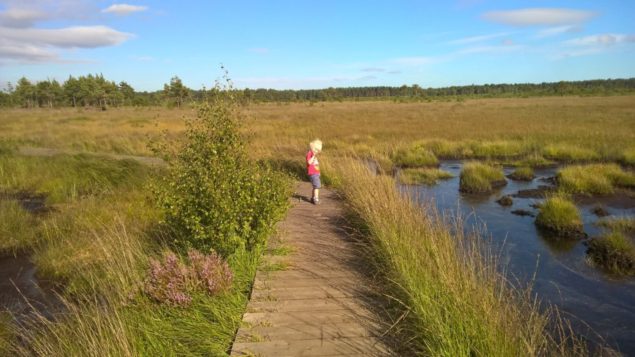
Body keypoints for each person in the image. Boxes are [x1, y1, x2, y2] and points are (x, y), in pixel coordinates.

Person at [306, 139, 322, 204]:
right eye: (316, 150)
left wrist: (318, 172)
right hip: (312, 173)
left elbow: (316, 165)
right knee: (317, 186)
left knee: (315, 186)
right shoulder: (309, 154)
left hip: (315, 173)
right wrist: (313, 157)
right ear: (313, 148)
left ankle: (313, 198)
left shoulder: (313, 155)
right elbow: (309, 162)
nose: (317, 152)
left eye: (318, 151)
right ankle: (316, 199)